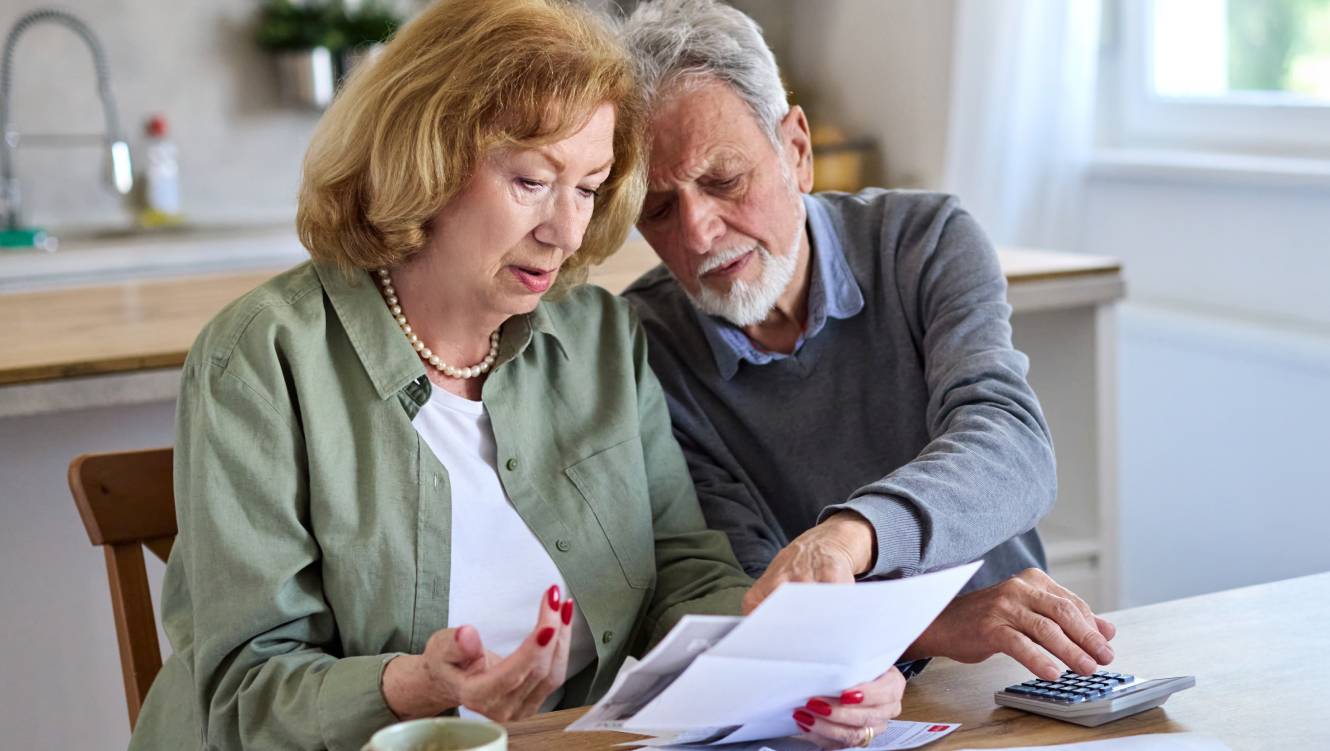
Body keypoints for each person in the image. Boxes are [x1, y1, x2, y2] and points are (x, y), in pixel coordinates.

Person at [127, 1, 903, 749]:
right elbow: (242, 692)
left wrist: (803, 667)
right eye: (532, 181)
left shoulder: (599, 336)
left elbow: (680, 569)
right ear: (425, 159)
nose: (566, 231)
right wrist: (416, 687)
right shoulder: (263, 359)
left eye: (590, 188)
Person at [618, 0, 1119, 714]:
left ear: (796, 150)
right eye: (658, 209)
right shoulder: (648, 343)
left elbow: (1012, 448)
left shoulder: (926, 241)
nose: (697, 234)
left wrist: (852, 535)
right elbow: (753, 592)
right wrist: (936, 627)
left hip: (1018, 679)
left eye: (724, 181)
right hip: (833, 699)